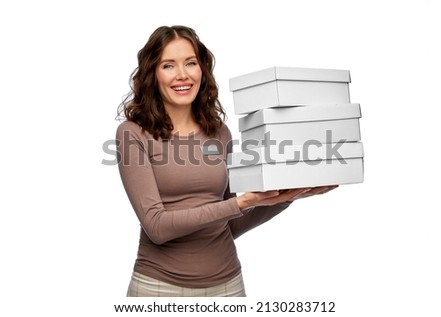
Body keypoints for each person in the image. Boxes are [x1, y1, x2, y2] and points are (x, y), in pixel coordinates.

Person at [116, 25, 337, 297]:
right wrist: (241, 202)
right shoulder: (132, 133)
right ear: (153, 74)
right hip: (159, 289)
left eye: (190, 63)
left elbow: (231, 223)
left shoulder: (219, 132)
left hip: (228, 286)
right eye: (169, 65)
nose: (182, 75)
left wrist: (288, 195)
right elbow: (157, 227)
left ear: (202, 70)